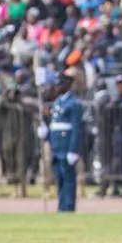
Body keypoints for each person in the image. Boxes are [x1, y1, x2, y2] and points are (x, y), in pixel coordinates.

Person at [40, 69, 82, 213]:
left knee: (68, 178)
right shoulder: (57, 102)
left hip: (66, 146)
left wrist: (73, 150)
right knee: (60, 179)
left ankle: (68, 206)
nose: (57, 87)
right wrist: (45, 129)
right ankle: (61, 206)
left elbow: (76, 128)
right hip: (56, 146)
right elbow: (54, 124)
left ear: (68, 84)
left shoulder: (74, 103)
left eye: (61, 84)